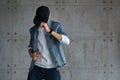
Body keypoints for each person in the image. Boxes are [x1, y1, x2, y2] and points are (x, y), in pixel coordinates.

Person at [27, 5, 70, 80]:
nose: (40, 24)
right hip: (37, 67)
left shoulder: (56, 26)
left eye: (42, 21)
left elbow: (67, 41)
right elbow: (30, 47)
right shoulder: (33, 30)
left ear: (49, 16)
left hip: (52, 68)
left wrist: (50, 31)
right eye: (39, 21)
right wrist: (31, 54)